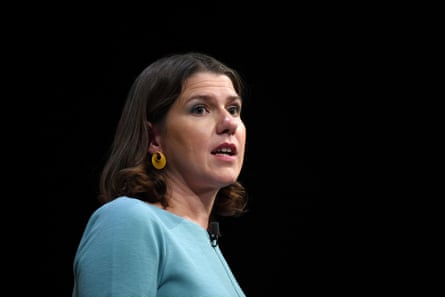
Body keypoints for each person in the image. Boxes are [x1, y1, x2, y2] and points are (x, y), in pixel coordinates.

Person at [72, 52, 249, 296]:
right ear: (154, 138)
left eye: (233, 108)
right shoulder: (128, 221)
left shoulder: (204, 241)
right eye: (200, 109)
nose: (229, 122)